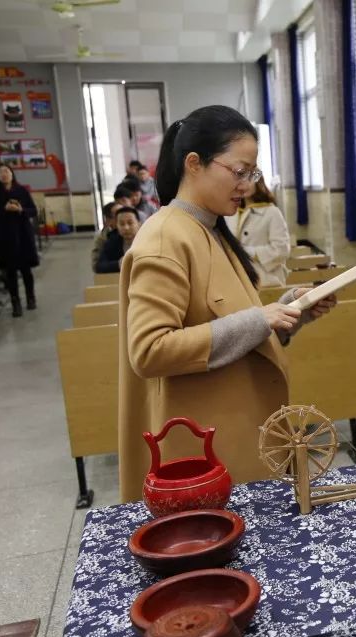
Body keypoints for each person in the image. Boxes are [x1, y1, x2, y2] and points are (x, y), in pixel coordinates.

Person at [118, 105, 337, 502]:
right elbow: (149, 351)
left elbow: (237, 328)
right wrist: (258, 319)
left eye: (252, 174)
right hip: (204, 449)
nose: (248, 185)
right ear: (194, 164)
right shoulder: (167, 237)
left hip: (239, 434)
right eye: (240, 172)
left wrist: (288, 313)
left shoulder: (211, 230)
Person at [0, 162, 39, 317]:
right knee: (10, 271)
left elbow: (33, 210)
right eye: (0, 172)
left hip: (22, 234)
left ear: (12, 173)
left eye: (6, 171)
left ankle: (31, 297)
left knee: (26, 270)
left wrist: (21, 209)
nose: (4, 174)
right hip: (4, 236)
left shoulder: (21, 190)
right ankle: (15, 302)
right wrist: (3, 209)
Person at [226, 178, 291, 286]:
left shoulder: (272, 212)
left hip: (266, 280)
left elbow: (281, 249)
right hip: (237, 279)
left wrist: (248, 251)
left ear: (258, 183)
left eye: (249, 180)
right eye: (240, 181)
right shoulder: (231, 212)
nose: (244, 185)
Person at [95, 206, 140, 273]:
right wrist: (119, 264)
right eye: (122, 224)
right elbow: (99, 266)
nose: (126, 228)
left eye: (130, 223)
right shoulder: (112, 242)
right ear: (117, 225)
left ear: (139, 224)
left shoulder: (148, 241)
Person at [91, 201, 122, 271]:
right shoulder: (104, 238)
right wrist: (118, 264)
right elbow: (96, 266)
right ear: (108, 220)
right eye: (118, 216)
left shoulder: (136, 234)